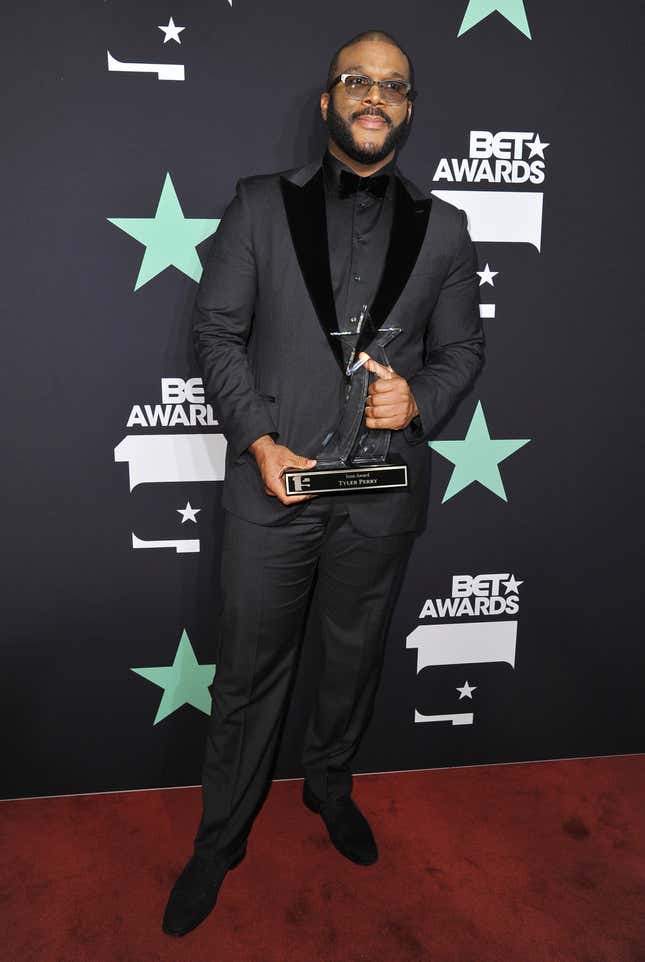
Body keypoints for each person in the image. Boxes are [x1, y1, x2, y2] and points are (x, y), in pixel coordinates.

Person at [163, 29, 484, 937]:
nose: (373, 96)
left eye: (393, 86)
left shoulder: (447, 229)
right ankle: (219, 838)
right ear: (327, 101)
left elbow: (463, 349)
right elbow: (216, 334)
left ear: (409, 108)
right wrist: (260, 441)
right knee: (248, 677)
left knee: (350, 663)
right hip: (276, 488)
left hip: (380, 496)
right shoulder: (259, 207)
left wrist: (417, 401)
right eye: (357, 82)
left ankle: (329, 788)